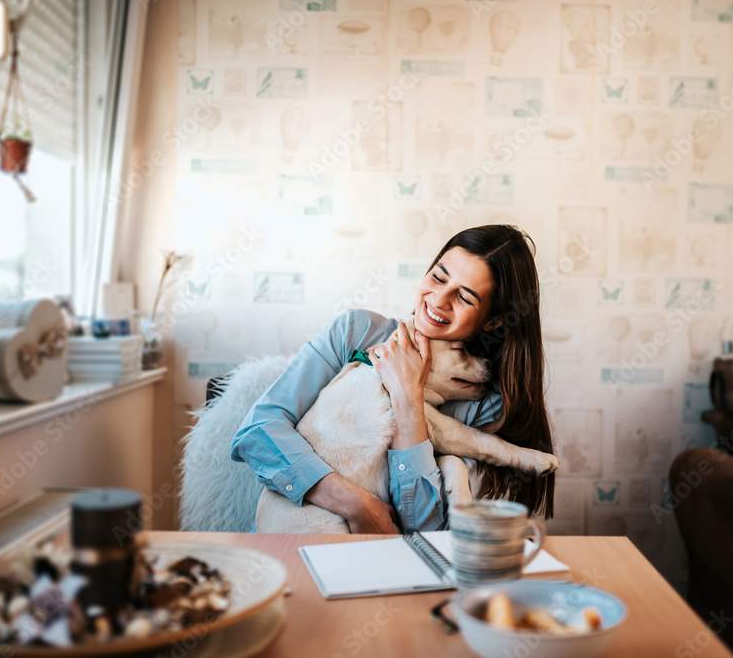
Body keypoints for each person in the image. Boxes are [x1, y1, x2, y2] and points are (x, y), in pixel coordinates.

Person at [230, 225, 555, 534]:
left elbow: (428, 532)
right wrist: (354, 504)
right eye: (439, 277)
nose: (439, 300)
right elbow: (257, 433)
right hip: (296, 540)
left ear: (492, 321)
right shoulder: (356, 332)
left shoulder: (484, 403)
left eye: (465, 297)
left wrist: (408, 401)